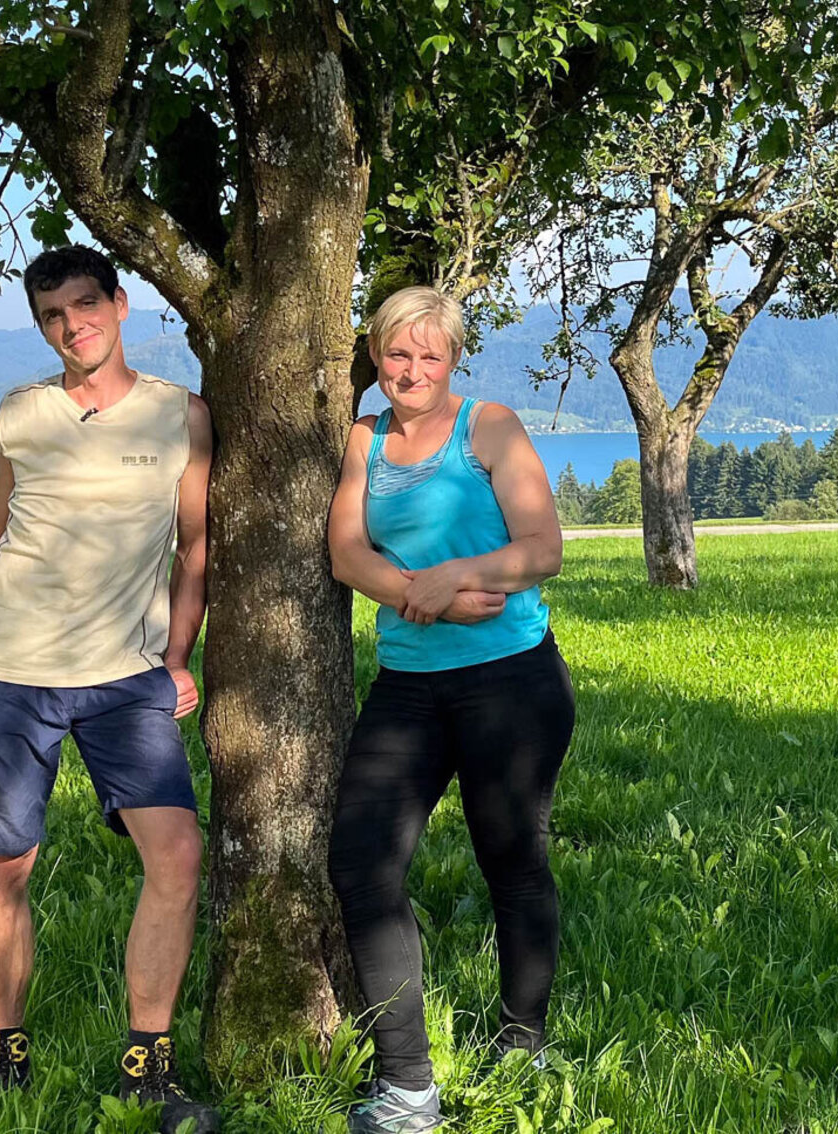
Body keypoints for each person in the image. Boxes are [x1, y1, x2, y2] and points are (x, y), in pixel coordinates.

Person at [0, 244, 220, 1132]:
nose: (73, 326)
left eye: (86, 305)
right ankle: (1, 1060)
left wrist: (177, 657)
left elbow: (195, 550)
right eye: (53, 315)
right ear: (41, 325)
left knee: (175, 858)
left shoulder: (181, 416)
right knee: (6, 866)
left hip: (125, 680)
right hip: (11, 670)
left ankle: (147, 1066)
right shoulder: (21, 413)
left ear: (120, 305)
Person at [326, 285, 573, 1133]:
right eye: (398, 353)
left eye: (430, 355)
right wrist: (418, 592)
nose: (413, 369)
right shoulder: (363, 438)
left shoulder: (490, 426)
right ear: (375, 352)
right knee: (361, 864)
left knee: (512, 861)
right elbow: (346, 553)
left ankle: (521, 1043)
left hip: (512, 680)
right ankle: (407, 1088)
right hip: (408, 684)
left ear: (454, 359)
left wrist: (456, 579)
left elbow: (545, 550)